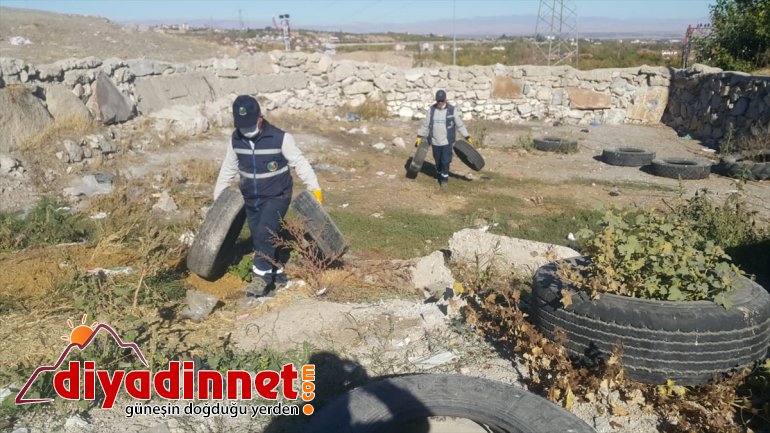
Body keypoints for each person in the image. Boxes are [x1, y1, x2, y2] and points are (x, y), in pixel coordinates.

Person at [214, 94, 322, 297]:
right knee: (261, 236)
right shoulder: (236, 139)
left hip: (277, 195)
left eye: (250, 124)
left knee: (265, 232)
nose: (246, 130)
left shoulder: (280, 138)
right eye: (242, 125)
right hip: (251, 197)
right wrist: (218, 199)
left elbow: (299, 162)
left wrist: (314, 188)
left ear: (260, 118)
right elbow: (228, 168)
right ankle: (278, 274)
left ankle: (260, 278)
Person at [415, 89, 472, 189]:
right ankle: (438, 173)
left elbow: (460, 125)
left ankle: (444, 180)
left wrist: (466, 136)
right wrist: (419, 136)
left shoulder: (452, 110)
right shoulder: (431, 110)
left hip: (447, 142)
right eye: (438, 101)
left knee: (445, 161)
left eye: (442, 100)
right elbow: (425, 125)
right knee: (438, 161)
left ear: (445, 99)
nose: (440, 103)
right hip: (435, 141)